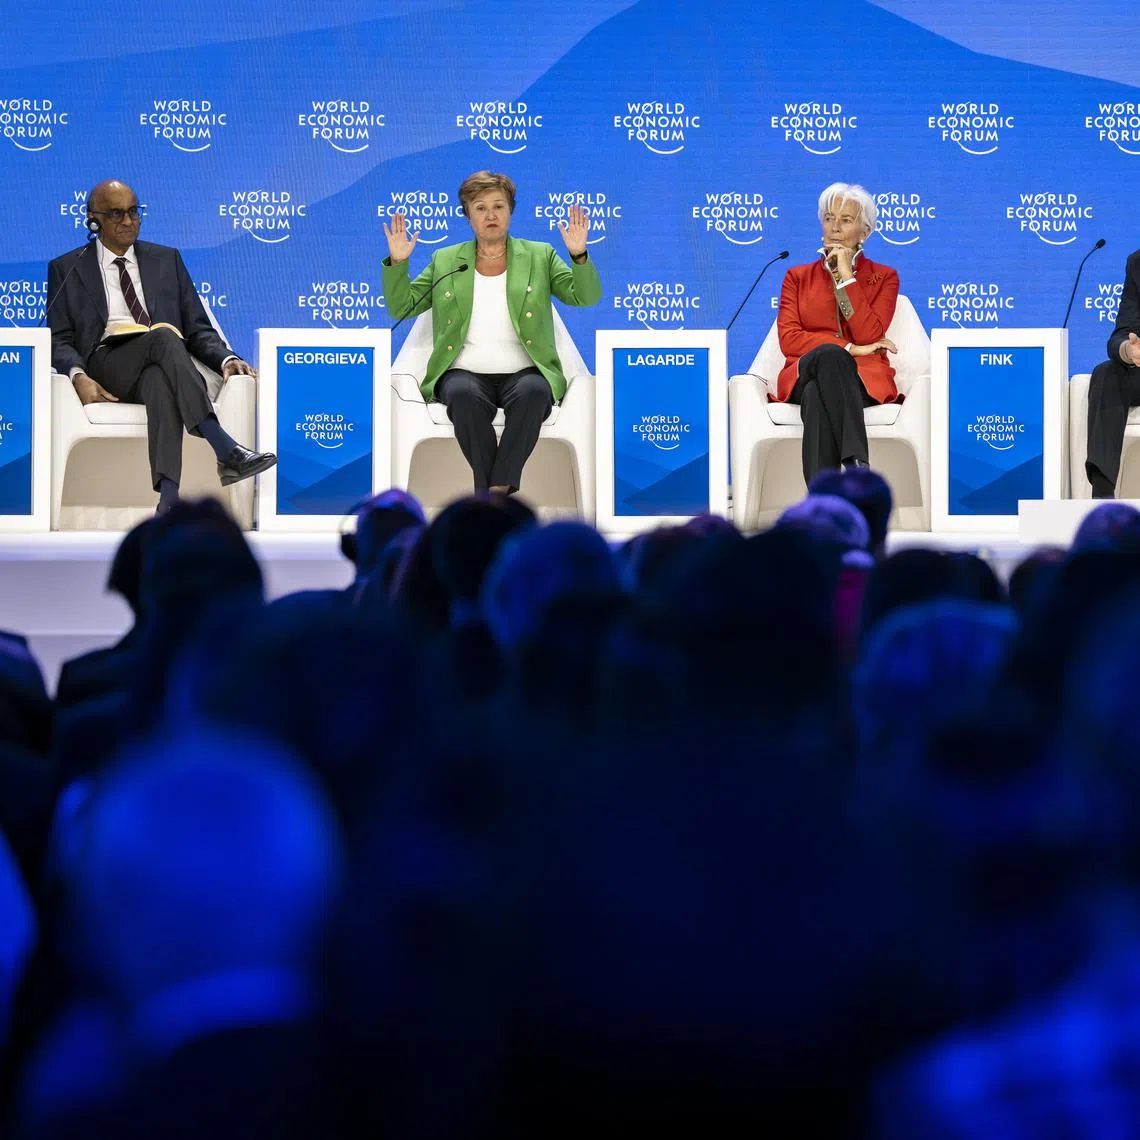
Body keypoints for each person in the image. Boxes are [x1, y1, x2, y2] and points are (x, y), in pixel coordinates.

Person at [46, 180, 276, 515]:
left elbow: (197, 329)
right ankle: (223, 446)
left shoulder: (166, 260)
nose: (128, 221)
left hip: (160, 361)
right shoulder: (66, 268)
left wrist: (226, 358)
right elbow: (59, 337)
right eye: (116, 214)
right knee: (165, 337)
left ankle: (168, 500)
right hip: (106, 364)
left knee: (159, 377)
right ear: (93, 221)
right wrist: (78, 375)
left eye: (134, 212)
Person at [381, 170, 601, 494]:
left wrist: (579, 256)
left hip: (525, 373)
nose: (491, 215)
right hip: (464, 373)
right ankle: (498, 495)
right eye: (480, 208)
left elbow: (585, 296)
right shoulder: (446, 260)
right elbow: (402, 307)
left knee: (535, 393)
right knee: (463, 397)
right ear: (468, 216)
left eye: (499, 206)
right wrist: (398, 263)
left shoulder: (540, 256)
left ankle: (491, 493)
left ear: (510, 211)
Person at [774, 182, 900, 483]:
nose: (835, 227)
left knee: (817, 397)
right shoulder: (797, 277)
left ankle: (823, 501)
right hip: (803, 371)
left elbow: (870, 334)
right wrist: (849, 348)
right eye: (829, 218)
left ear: (865, 233)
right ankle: (857, 465)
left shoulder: (885, 277)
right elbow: (789, 339)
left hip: (859, 382)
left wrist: (845, 277)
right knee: (830, 355)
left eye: (846, 220)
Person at [1086, 249, 1140, 497]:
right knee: (1106, 374)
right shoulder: (1137, 262)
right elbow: (1121, 333)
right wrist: (1129, 350)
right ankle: (1102, 497)